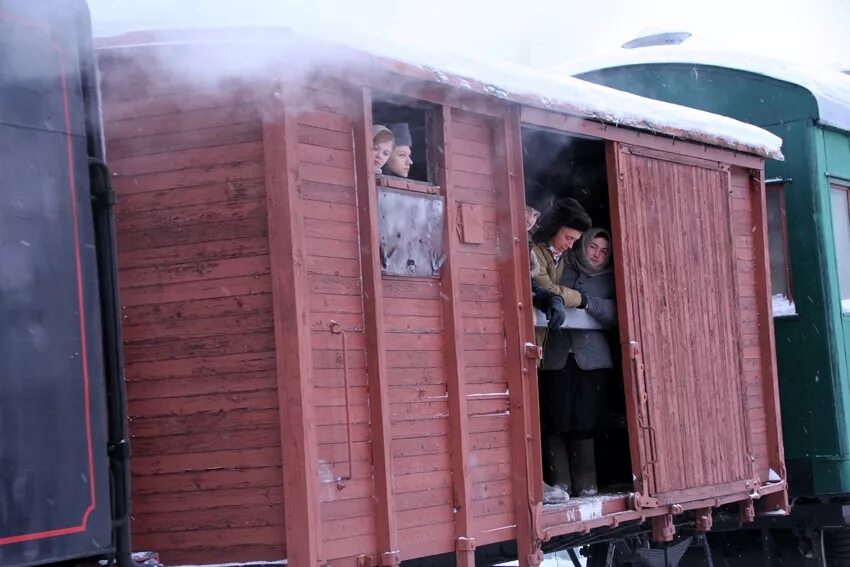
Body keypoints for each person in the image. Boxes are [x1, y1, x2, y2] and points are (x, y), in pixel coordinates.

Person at [540, 227, 617, 497]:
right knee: (555, 421)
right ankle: (560, 487)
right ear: (582, 246)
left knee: (585, 424)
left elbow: (613, 314)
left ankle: (587, 488)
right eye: (592, 247)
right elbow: (545, 290)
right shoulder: (562, 267)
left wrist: (585, 302)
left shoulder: (610, 279)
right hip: (556, 357)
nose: (597, 255)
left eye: (604, 251)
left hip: (592, 361)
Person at [529, 197, 592, 495]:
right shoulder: (534, 252)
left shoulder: (556, 255)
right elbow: (543, 286)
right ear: (555, 228)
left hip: (537, 344)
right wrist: (580, 299)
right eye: (568, 237)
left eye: (575, 240)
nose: (570, 245)